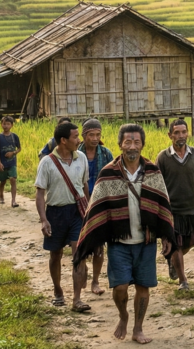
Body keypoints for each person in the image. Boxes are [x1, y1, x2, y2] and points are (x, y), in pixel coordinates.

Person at [75, 124, 176, 345]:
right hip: (119, 242)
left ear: (143, 144)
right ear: (120, 144)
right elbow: (97, 208)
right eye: (128, 142)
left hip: (145, 240)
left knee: (143, 286)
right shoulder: (108, 172)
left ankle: (138, 328)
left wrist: (167, 235)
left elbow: (162, 204)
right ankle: (123, 315)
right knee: (119, 287)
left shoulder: (152, 171)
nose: (132, 146)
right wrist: (96, 239)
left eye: (136, 142)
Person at [34, 121, 91, 313]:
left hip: (77, 212)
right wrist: (44, 219)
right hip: (56, 213)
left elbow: (84, 186)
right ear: (63, 140)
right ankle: (58, 290)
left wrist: (89, 210)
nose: (79, 140)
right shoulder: (47, 162)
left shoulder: (81, 158)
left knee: (78, 253)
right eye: (75, 137)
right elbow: (40, 193)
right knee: (55, 254)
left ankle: (77, 299)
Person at [156, 119, 194, 291]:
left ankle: (172, 260)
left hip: (190, 208)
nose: (180, 136)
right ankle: (183, 280)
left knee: (190, 243)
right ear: (170, 135)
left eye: (183, 132)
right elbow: (157, 185)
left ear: (187, 133)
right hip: (171, 211)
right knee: (177, 245)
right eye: (176, 132)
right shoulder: (163, 157)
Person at [78, 118, 114, 296]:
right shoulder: (76, 154)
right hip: (79, 204)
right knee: (80, 242)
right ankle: (82, 271)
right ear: (83, 136)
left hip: (100, 204)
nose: (94, 138)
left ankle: (95, 281)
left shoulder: (106, 154)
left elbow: (115, 177)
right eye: (91, 134)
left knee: (99, 245)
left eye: (97, 134)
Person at [0, 116, 22, 207]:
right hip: (2, 163)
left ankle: (13, 201)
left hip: (12, 162)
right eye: (4, 124)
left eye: (8, 124)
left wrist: (13, 153)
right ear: (1, 125)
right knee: (3, 181)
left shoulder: (15, 137)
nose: (6, 126)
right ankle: (1, 195)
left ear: (12, 125)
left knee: (13, 179)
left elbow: (19, 149)